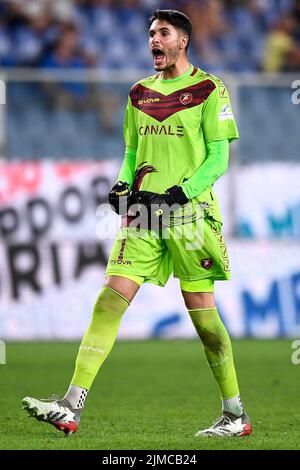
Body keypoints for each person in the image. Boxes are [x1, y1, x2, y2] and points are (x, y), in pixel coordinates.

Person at [22, 9, 252, 438]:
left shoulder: (209, 89)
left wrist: (181, 192)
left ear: (183, 40)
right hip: (144, 214)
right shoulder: (138, 93)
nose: (154, 40)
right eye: (150, 33)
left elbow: (218, 157)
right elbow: (131, 153)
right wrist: (121, 183)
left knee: (203, 319)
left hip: (189, 215)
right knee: (110, 299)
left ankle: (234, 413)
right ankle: (70, 405)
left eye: (163, 32)